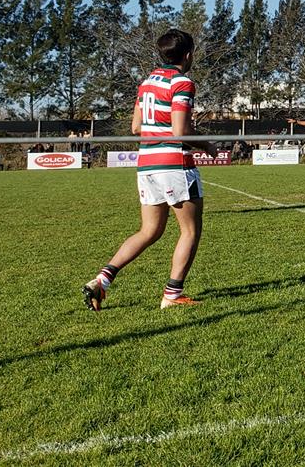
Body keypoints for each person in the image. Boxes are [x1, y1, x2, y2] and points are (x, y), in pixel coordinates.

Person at [82, 28, 218, 311]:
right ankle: (172, 295)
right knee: (190, 231)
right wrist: (207, 144)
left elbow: (135, 127)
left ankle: (102, 280)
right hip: (173, 164)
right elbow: (181, 130)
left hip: (147, 164)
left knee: (149, 231)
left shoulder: (146, 83)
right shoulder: (182, 83)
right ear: (189, 55)